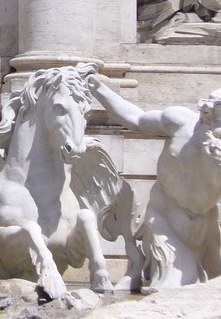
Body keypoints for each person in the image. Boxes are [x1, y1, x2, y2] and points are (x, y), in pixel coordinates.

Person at [86, 75, 221, 291]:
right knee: (175, 287)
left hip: (208, 225)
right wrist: (100, 89)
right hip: (166, 218)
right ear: (208, 112)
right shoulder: (180, 122)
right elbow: (136, 119)